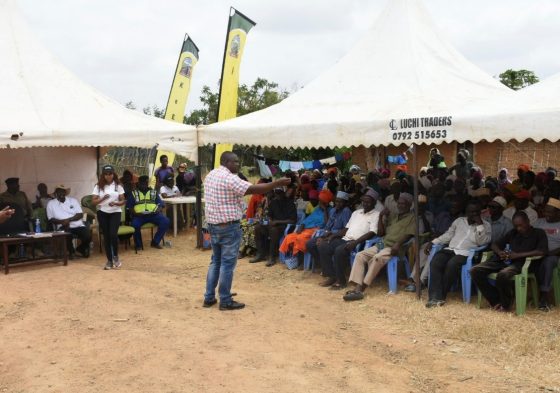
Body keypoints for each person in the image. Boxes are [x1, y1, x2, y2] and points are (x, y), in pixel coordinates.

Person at [203, 152, 290, 311]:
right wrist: (275, 183)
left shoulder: (211, 175)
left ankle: (209, 297)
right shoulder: (230, 178)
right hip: (228, 227)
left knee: (215, 261)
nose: (237, 164)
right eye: (235, 162)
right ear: (226, 162)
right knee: (227, 264)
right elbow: (253, 189)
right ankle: (225, 300)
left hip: (214, 225)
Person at [344, 193, 415, 301]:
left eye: (403, 204)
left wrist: (398, 244)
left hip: (394, 247)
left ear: (409, 205)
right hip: (382, 244)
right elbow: (381, 233)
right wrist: (381, 216)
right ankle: (357, 286)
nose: (400, 206)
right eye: (399, 203)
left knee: (377, 258)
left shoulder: (412, 218)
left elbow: (409, 235)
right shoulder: (394, 216)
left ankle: (361, 289)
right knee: (360, 255)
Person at [471, 211, 547, 312]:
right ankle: (496, 300)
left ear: (528, 221)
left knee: (503, 274)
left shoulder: (539, 233)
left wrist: (517, 255)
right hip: (506, 260)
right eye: (516, 226)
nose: (519, 228)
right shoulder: (513, 232)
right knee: (475, 270)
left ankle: (505, 305)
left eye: (521, 225)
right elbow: (494, 244)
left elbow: (542, 251)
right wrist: (500, 252)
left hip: (524, 263)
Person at [425, 200, 491, 307]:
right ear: (466, 212)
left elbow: (483, 242)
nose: (473, 215)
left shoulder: (486, 225)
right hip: (451, 249)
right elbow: (448, 235)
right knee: (436, 261)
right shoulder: (459, 221)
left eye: (476, 212)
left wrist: (479, 225)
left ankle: (440, 296)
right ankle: (434, 296)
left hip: (466, 254)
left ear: (480, 212)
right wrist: (433, 242)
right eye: (471, 212)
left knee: (452, 264)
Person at [318, 188, 380, 290]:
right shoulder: (356, 213)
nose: (365, 204)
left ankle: (341, 281)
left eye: (368, 202)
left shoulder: (376, 214)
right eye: (364, 201)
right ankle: (331, 276)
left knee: (338, 251)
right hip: (345, 238)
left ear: (374, 203)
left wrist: (355, 242)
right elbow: (346, 229)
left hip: (358, 242)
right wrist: (334, 235)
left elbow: (371, 233)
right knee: (323, 246)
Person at [278, 190, 332, 267]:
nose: (319, 203)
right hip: (306, 229)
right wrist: (302, 225)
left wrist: (325, 210)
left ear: (326, 203)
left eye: (321, 202)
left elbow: (327, 224)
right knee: (290, 237)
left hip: (316, 231)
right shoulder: (317, 209)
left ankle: (301, 261)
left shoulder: (331, 210)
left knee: (300, 238)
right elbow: (308, 219)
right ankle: (293, 258)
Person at [306, 191, 353, 271]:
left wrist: (330, 234)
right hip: (328, 234)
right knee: (310, 243)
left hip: (339, 236)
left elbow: (346, 230)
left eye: (340, 202)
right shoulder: (333, 210)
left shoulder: (346, 211)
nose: (338, 204)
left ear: (345, 203)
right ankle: (323, 264)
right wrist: (323, 236)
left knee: (322, 245)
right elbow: (328, 226)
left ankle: (329, 269)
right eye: (336, 201)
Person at [250, 187, 297, 266]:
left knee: (273, 231)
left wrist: (277, 221)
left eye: (280, 193)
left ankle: (272, 257)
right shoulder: (273, 203)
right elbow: (270, 215)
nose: (278, 195)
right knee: (257, 228)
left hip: (284, 226)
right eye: (277, 193)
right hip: (273, 225)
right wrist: (269, 220)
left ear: (283, 193)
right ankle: (260, 254)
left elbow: (292, 220)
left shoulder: (290, 203)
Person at [92, 165, 126, 270]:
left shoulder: (118, 185)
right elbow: (93, 202)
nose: (108, 176)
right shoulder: (98, 186)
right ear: (103, 175)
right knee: (106, 236)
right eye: (106, 174)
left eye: (110, 173)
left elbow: (123, 201)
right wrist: (102, 199)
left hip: (115, 212)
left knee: (113, 234)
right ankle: (109, 261)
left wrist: (116, 203)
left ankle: (115, 256)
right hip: (103, 213)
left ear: (113, 174)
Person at [46, 184, 91, 259]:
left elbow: (80, 214)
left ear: (65, 193)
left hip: (77, 225)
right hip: (62, 225)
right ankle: (71, 252)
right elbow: (50, 219)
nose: (61, 194)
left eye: (62, 192)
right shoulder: (51, 204)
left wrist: (69, 220)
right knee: (67, 234)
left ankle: (80, 248)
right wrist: (62, 222)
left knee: (88, 236)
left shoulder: (73, 200)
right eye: (59, 192)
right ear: (55, 193)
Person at [127, 175, 169, 250]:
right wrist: (135, 213)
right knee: (135, 225)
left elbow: (160, 204)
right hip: (139, 216)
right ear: (138, 183)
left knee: (165, 221)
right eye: (142, 183)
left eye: (145, 183)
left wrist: (158, 210)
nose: (144, 185)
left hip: (154, 215)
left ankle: (155, 242)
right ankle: (138, 245)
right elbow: (130, 207)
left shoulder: (153, 192)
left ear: (147, 183)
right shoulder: (134, 193)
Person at [533, 198, 560, 311]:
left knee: (547, 263)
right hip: (537, 253)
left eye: (550, 212)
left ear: (558, 212)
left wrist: (548, 253)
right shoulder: (539, 222)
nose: (546, 214)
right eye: (545, 211)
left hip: (554, 255)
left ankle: (544, 297)